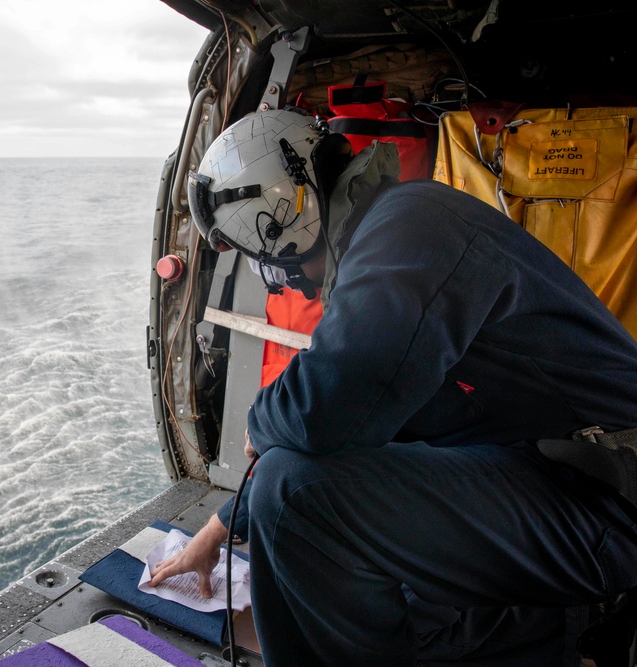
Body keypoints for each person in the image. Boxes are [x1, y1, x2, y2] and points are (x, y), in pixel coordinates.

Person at [148, 107, 637, 666]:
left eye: (262, 256)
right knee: (313, 489)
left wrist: (262, 426)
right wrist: (218, 529)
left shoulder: (410, 225)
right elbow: (368, 422)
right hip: (561, 477)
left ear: (281, 218)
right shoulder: (396, 230)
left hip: (609, 497)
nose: (281, 279)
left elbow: (327, 404)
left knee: (295, 493)